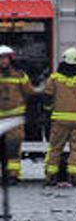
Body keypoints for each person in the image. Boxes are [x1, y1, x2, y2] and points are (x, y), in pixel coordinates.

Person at [43, 47, 76, 187]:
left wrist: (47, 114)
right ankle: (74, 175)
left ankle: (51, 176)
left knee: (55, 148)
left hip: (59, 120)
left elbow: (47, 97)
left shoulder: (54, 78)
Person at [0, 45, 34, 184]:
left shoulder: (20, 75)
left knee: (13, 147)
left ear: (10, 59)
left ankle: (12, 175)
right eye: (1, 58)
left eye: (5, 58)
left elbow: (29, 92)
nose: (3, 61)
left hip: (14, 119)